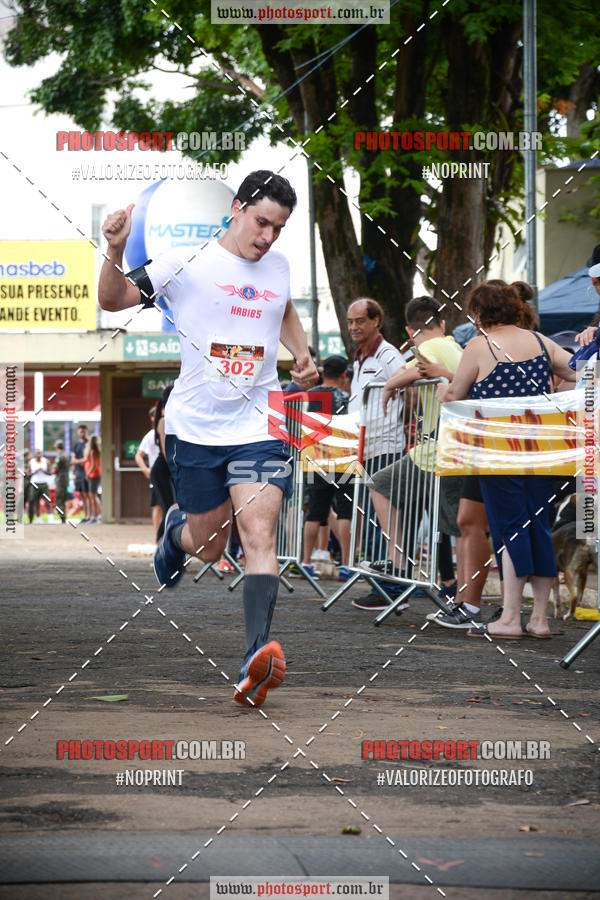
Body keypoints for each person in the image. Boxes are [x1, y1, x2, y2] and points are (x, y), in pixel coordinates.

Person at [98, 170, 318, 708]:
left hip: (258, 423)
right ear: (238, 208)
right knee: (211, 544)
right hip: (195, 428)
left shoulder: (279, 267)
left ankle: (254, 654)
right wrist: (115, 246)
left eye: (279, 228)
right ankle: (176, 535)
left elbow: (283, 306)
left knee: (260, 536)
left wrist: (303, 351)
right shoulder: (184, 262)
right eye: (262, 222)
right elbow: (114, 298)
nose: (267, 237)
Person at [437, 280, 577, 639]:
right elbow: (579, 374)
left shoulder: (480, 345)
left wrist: (441, 391)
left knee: (509, 529)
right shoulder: (542, 342)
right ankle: (540, 620)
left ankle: (510, 618)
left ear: (481, 312)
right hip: (543, 453)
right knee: (539, 528)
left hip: (499, 454)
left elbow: (456, 393)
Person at [354, 296, 463, 611]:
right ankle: (450, 589)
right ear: (442, 324)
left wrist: (390, 386)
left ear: (409, 329)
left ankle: (397, 563)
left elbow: (405, 374)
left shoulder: (428, 348)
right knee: (451, 523)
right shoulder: (455, 348)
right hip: (453, 448)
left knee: (379, 484)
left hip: (435, 449)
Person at [300, 355, 353, 580]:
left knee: (314, 512)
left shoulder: (309, 396)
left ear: (322, 373)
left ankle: (305, 562)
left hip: (315, 459)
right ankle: (346, 565)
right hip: (343, 458)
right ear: (343, 376)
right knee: (344, 511)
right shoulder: (346, 398)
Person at [135, 406, 163, 535]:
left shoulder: (172, 432)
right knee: (158, 506)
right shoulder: (150, 435)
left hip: (173, 474)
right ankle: (158, 537)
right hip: (157, 476)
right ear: (152, 418)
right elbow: (138, 455)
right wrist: (145, 469)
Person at [72, 424, 92, 523]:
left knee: (89, 495)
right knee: (82, 495)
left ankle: (90, 516)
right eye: (80, 431)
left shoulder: (89, 444)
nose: (82, 433)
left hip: (88, 472)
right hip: (79, 473)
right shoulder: (77, 444)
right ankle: (86, 516)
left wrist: (79, 461)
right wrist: (80, 461)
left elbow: (87, 460)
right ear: (78, 432)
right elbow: (73, 459)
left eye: (83, 431)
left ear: (86, 431)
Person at [83, 435, 102, 523]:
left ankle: (96, 516)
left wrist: (88, 473)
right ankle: (98, 515)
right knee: (93, 496)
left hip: (94, 475)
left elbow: (94, 465)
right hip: (95, 475)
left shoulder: (93, 451)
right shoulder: (96, 451)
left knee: (92, 496)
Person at [28, 449, 50, 523]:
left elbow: (50, 473)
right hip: (35, 483)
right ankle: (38, 519)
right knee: (35, 502)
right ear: (34, 454)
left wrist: (43, 470)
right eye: (37, 453)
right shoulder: (31, 462)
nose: (38, 455)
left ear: (41, 454)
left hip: (43, 483)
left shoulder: (46, 461)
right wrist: (35, 471)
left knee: (47, 501)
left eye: (39, 453)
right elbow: (28, 474)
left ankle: (50, 518)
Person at [52, 440, 70, 524]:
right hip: (65, 479)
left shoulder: (60, 456)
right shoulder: (66, 455)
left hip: (60, 480)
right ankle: (63, 517)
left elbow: (55, 469)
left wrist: (51, 471)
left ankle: (62, 518)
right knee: (63, 499)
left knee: (58, 500)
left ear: (57, 447)